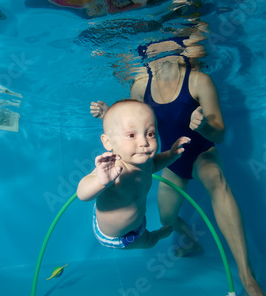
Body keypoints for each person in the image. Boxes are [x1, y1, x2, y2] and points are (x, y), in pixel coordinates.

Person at [90, 45, 266, 296]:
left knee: (216, 180)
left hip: (202, 152)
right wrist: (109, 112)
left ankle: (248, 279)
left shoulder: (199, 80)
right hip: (172, 157)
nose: (160, 48)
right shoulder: (140, 85)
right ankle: (191, 242)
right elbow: (130, 123)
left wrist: (203, 126)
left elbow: (220, 135)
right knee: (167, 219)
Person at [78, 99, 191, 250]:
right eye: (131, 135)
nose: (144, 142)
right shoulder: (112, 169)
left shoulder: (146, 162)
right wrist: (100, 181)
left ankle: (150, 234)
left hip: (137, 222)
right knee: (149, 242)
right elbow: (82, 194)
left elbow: (155, 164)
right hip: (115, 235)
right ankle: (156, 235)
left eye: (150, 133)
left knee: (144, 237)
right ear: (108, 142)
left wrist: (171, 155)